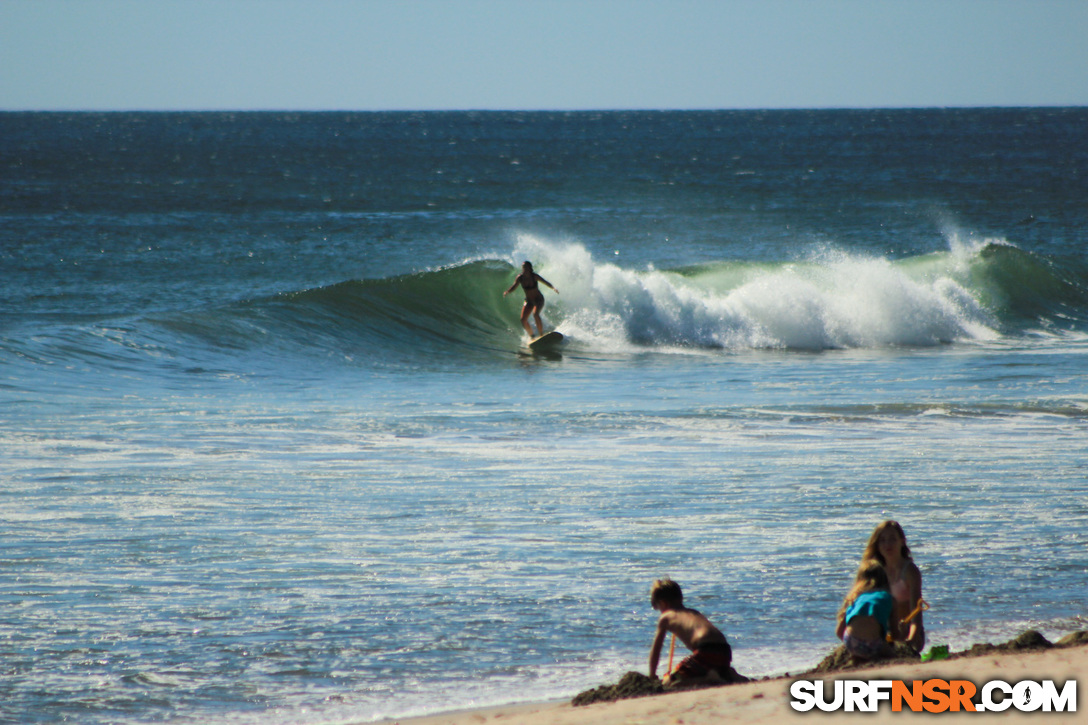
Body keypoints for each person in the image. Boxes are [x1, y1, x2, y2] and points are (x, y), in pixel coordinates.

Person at [648, 578, 733, 687]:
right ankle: (727, 674)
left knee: (669, 683)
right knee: (708, 667)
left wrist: (652, 675)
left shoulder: (666, 617)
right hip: (724, 652)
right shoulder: (693, 612)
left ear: (663, 603)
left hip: (705, 653)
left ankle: (708, 679)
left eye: (658, 608)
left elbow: (656, 649)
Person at [862, 520, 925, 651]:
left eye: (892, 539)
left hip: (907, 632)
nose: (887, 544)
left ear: (902, 541)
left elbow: (917, 615)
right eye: (882, 540)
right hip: (882, 633)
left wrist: (910, 638)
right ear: (877, 545)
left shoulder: (910, 571)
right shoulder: (875, 570)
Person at [835, 559, 895, 661]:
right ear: (885, 579)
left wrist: (852, 643)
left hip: (850, 641)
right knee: (891, 653)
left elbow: (839, 632)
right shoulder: (888, 597)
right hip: (872, 645)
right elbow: (896, 634)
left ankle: (856, 655)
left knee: (859, 643)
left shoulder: (853, 596)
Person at [503, 260, 558, 338]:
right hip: (529, 301)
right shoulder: (520, 278)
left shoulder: (534, 276)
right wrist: (507, 291)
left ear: (529, 268)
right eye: (523, 268)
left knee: (535, 314)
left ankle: (541, 335)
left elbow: (545, 282)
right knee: (523, 320)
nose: (523, 269)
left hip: (538, 299)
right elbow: (514, 286)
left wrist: (553, 288)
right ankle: (532, 336)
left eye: (525, 268)